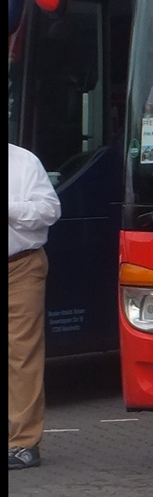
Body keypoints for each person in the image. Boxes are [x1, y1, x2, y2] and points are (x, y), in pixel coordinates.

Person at [8, 142, 61, 470]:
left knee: (22, 352)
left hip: (20, 266)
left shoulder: (24, 161)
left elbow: (50, 211)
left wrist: (10, 208)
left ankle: (23, 442)